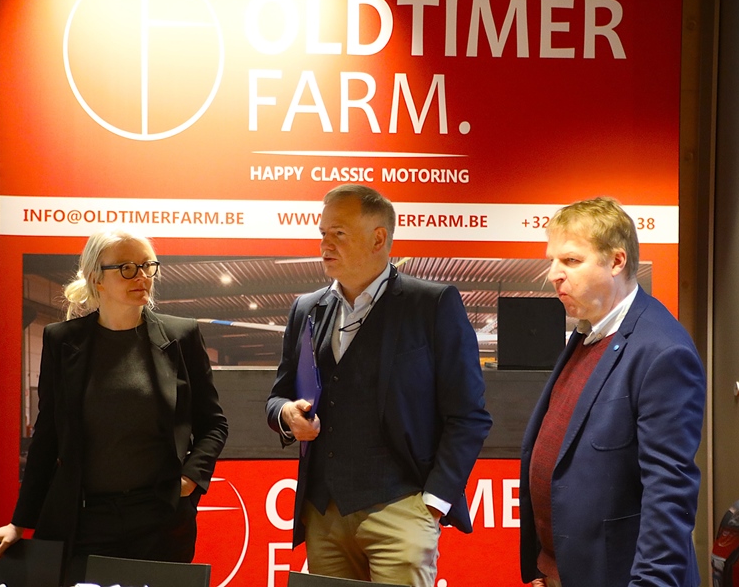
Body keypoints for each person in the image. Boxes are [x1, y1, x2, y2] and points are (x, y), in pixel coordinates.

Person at [266, 184, 492, 587]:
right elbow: (278, 396)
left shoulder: (432, 304)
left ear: (378, 238)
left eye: (338, 233)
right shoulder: (307, 308)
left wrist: (433, 504)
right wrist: (285, 414)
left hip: (402, 509)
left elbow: (468, 415)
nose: (325, 244)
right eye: (322, 233)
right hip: (324, 515)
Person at [0, 229, 228, 573]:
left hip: (159, 519)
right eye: (127, 268)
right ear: (96, 278)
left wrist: (189, 480)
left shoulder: (181, 335)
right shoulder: (62, 340)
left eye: (147, 266)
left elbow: (214, 424)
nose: (142, 276)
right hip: (85, 519)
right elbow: (47, 435)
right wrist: (19, 523)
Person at [518, 197, 706, 587]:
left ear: (617, 261)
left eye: (571, 261)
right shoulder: (589, 332)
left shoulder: (662, 351)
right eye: (553, 260)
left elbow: (669, 495)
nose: (553, 274)